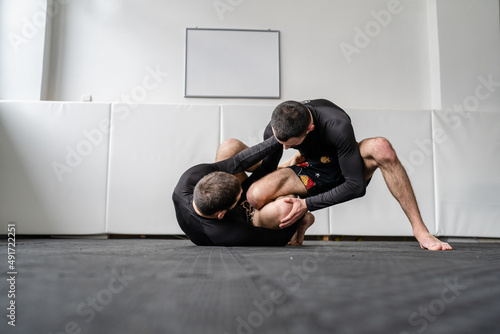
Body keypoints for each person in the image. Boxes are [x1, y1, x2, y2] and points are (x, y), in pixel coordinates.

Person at [246, 99, 452, 251]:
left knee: (381, 147)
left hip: (346, 168)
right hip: (309, 171)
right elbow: (267, 171)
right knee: (256, 194)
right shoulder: (277, 129)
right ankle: (300, 222)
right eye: (281, 143)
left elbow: (355, 186)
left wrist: (306, 204)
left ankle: (421, 231)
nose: (284, 148)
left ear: (310, 129)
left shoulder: (336, 124)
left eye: (290, 144)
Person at [172, 136, 315, 246]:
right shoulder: (227, 233)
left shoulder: (190, 180)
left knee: (230, 147)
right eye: (240, 194)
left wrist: (278, 138)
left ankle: (279, 172)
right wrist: (302, 207)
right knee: (287, 207)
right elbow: (279, 239)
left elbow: (238, 161)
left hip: (227, 201)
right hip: (250, 219)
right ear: (222, 214)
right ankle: (299, 215)